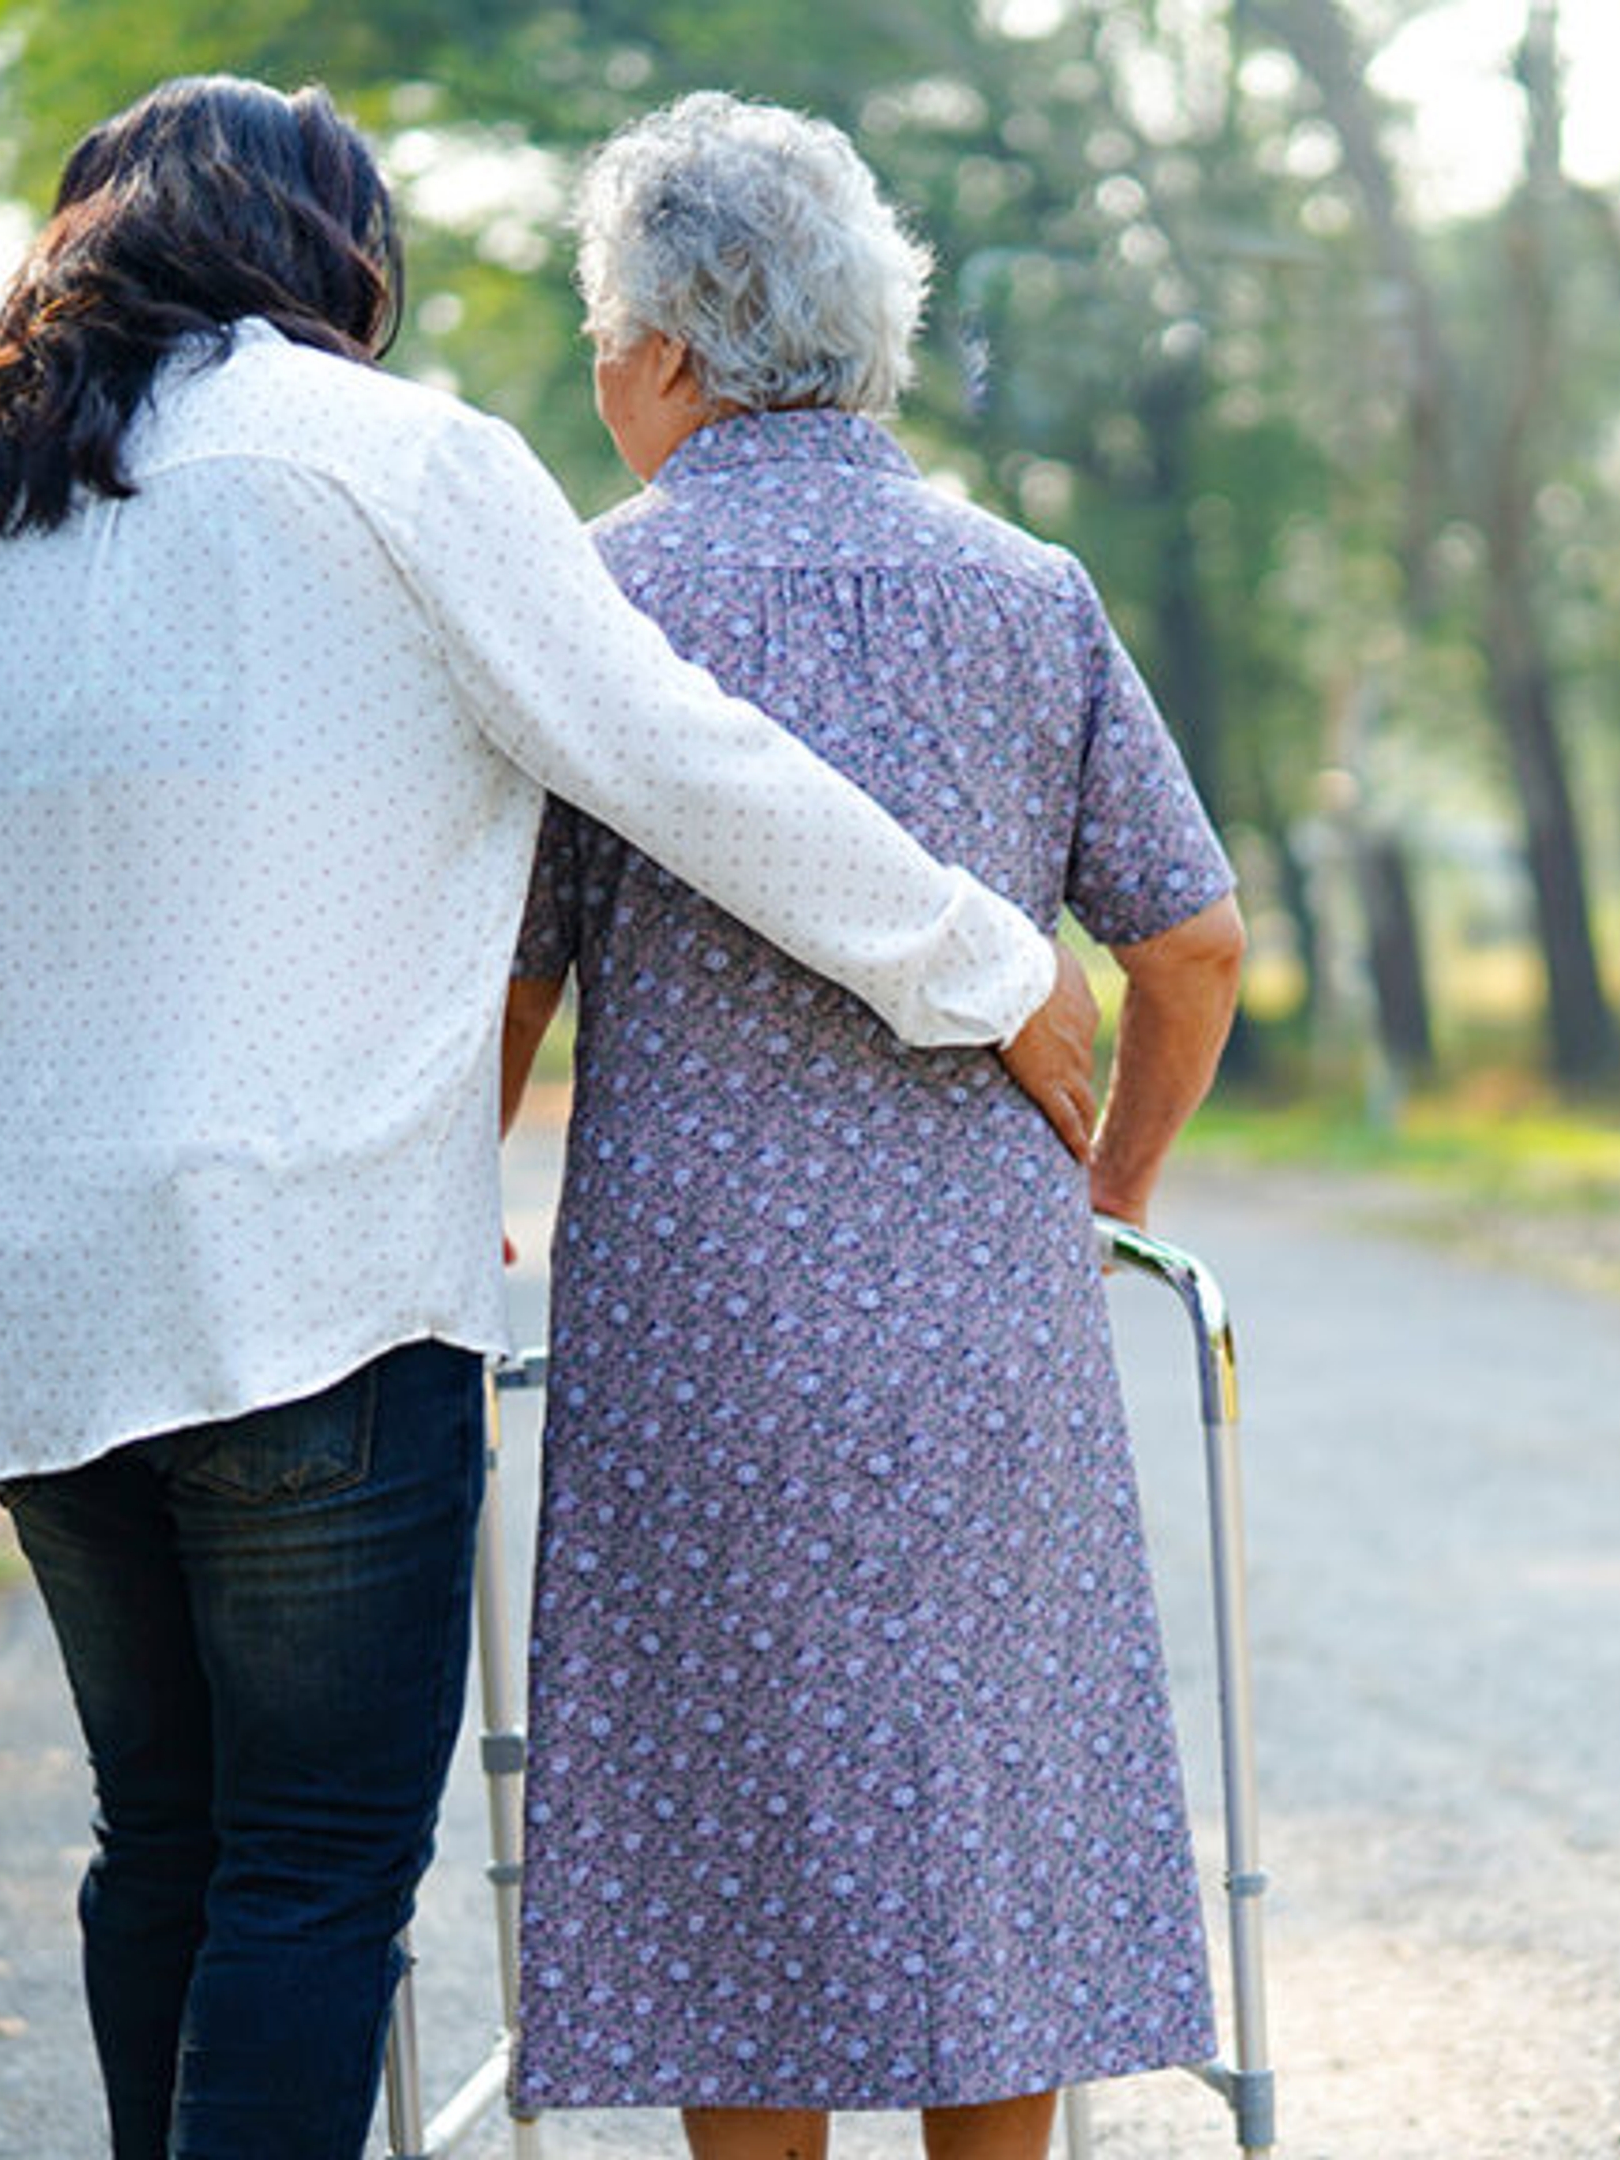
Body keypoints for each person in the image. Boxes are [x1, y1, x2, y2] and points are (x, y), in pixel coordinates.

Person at [0, 76, 1105, 2160]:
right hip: (307, 1267)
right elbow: (675, 756)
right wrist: (988, 965)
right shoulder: (392, 456)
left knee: (162, 1841)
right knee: (307, 1868)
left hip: (35, 1274)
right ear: (324, 249)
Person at [494, 94, 1248, 2160]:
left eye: (599, 334)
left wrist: (444, 1200)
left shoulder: (585, 606)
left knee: (737, 1826)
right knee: (990, 1820)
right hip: (990, 1327)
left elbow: (510, 984)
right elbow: (1189, 949)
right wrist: (1108, 1198)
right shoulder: (1030, 591)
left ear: (664, 347)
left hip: (698, 1338)